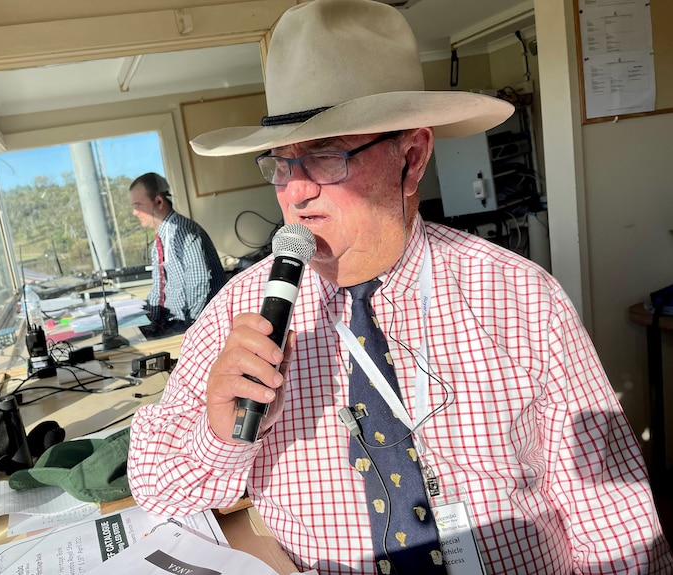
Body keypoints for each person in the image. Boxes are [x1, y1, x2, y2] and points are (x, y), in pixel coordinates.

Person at [128, 1, 673, 573]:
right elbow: (158, 493)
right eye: (282, 164)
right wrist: (217, 432)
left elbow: (613, 522)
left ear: (411, 157)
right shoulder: (237, 313)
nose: (296, 192)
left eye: (325, 156)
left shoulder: (521, 298)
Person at [128, 172, 226, 336]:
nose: (135, 212)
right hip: (171, 321)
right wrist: (152, 320)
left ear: (159, 202)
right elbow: (158, 286)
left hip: (193, 325)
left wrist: (191, 328)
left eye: (138, 205)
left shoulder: (183, 232)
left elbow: (199, 281)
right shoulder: (162, 237)